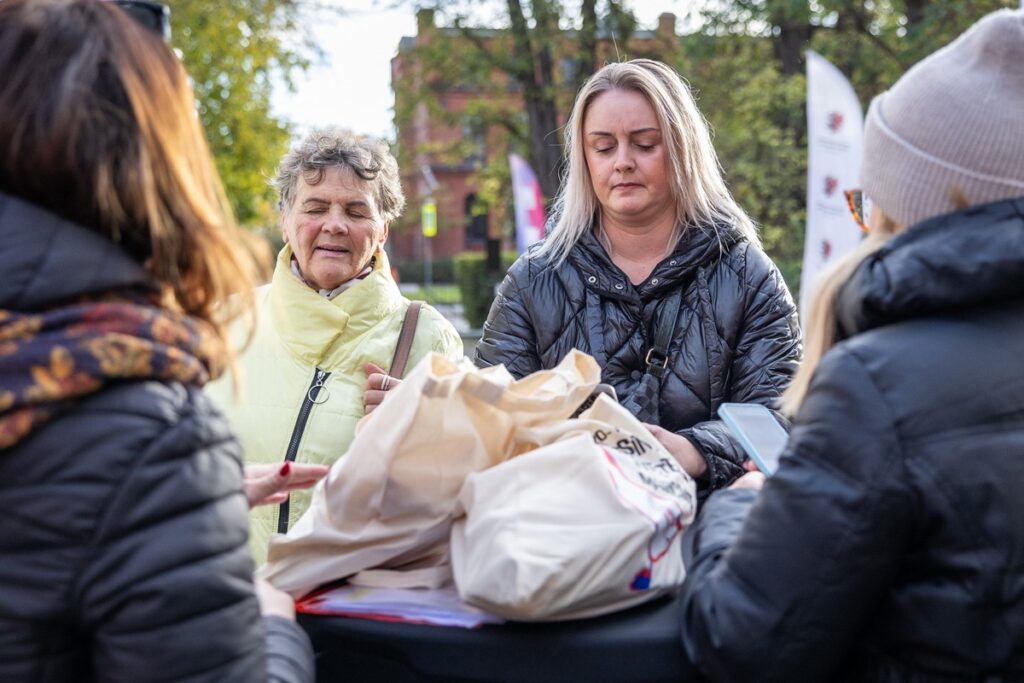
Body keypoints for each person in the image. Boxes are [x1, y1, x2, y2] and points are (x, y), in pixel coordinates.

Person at [679, 9, 1024, 681]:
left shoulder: (878, 383)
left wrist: (737, 503)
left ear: (910, 208)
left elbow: (740, 638)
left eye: (870, 202)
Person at [0, 1, 319, 680]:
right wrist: (273, 628)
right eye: (315, 207)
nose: (333, 228)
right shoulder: (155, 436)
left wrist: (167, 522)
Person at [475, 59, 801, 494]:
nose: (623, 162)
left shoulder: (747, 274)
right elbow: (490, 417)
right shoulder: (533, 280)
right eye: (604, 148)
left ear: (682, 148)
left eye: (645, 144)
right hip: (567, 521)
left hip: (711, 525)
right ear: (584, 159)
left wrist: (696, 451)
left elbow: (779, 416)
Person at [206, 128, 464, 561]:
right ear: (285, 222)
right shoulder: (227, 321)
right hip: (225, 596)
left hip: (355, 609)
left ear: (383, 228)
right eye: (315, 207)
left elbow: (461, 490)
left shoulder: (427, 336)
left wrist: (426, 435)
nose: (335, 224)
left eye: (356, 210)